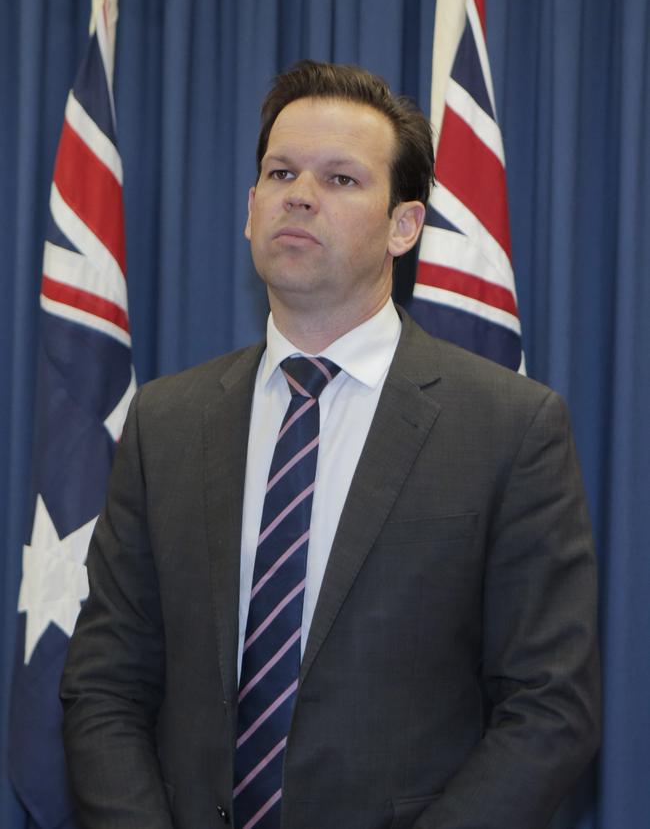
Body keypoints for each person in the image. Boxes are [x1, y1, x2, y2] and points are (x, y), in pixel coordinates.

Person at [61, 60, 600, 829]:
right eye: (281, 172)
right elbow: (104, 685)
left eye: (342, 179)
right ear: (251, 209)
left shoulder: (511, 429)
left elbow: (551, 709)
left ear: (405, 226)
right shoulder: (165, 423)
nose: (300, 194)